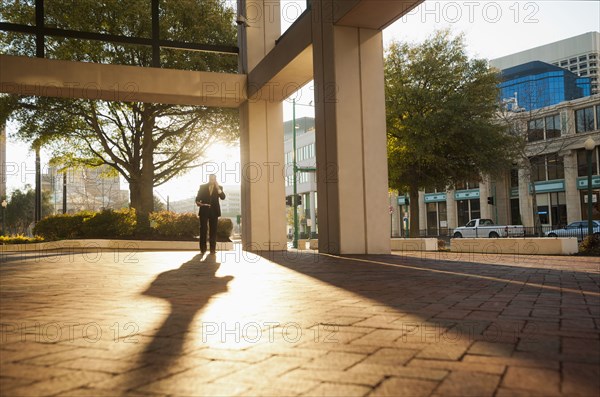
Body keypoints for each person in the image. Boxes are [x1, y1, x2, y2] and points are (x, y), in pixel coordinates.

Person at [195, 174, 226, 254]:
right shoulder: (202, 187)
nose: (212, 180)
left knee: (213, 231)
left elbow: (223, 197)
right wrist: (199, 203)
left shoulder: (219, 188)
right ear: (208, 178)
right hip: (204, 210)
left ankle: (212, 250)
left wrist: (217, 187)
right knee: (203, 230)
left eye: (213, 179)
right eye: (210, 178)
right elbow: (198, 198)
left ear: (215, 179)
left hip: (214, 212)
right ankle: (203, 249)